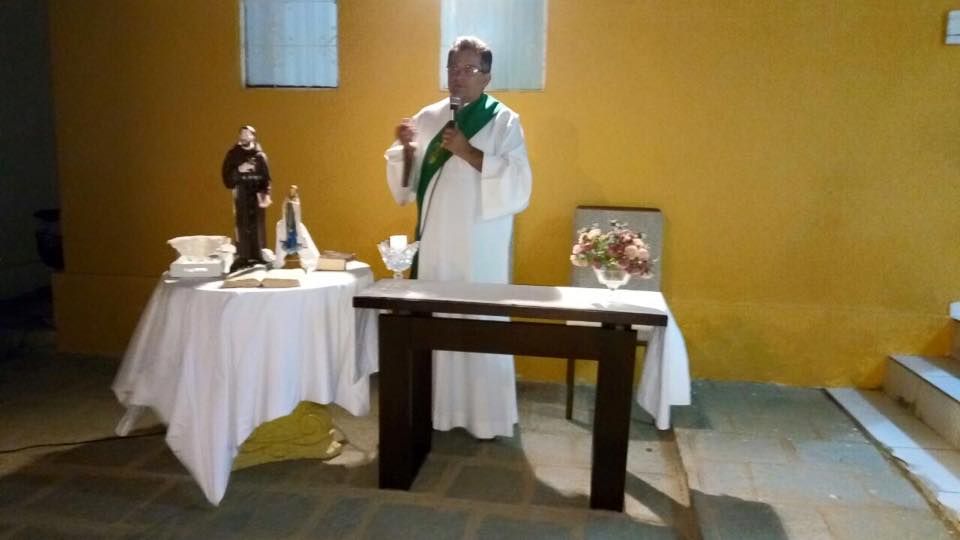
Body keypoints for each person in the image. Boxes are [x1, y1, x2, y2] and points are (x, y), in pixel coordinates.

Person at [384, 36, 533, 439]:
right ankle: (436, 411)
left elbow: (519, 184)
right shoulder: (428, 117)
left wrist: (468, 152)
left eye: (469, 69)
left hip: (480, 246)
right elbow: (406, 188)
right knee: (436, 319)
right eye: (453, 68)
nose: (459, 76)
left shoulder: (504, 121)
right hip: (436, 244)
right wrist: (407, 150)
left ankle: (486, 419)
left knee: (478, 320)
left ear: (487, 77)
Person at [222, 125, 272, 271]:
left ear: (253, 136)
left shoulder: (260, 156)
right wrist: (239, 170)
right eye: (241, 134)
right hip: (242, 194)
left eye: (247, 134)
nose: (243, 137)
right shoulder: (233, 155)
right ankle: (243, 256)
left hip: (256, 195)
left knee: (257, 225)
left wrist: (266, 194)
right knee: (242, 225)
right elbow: (227, 178)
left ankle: (258, 255)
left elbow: (266, 178)